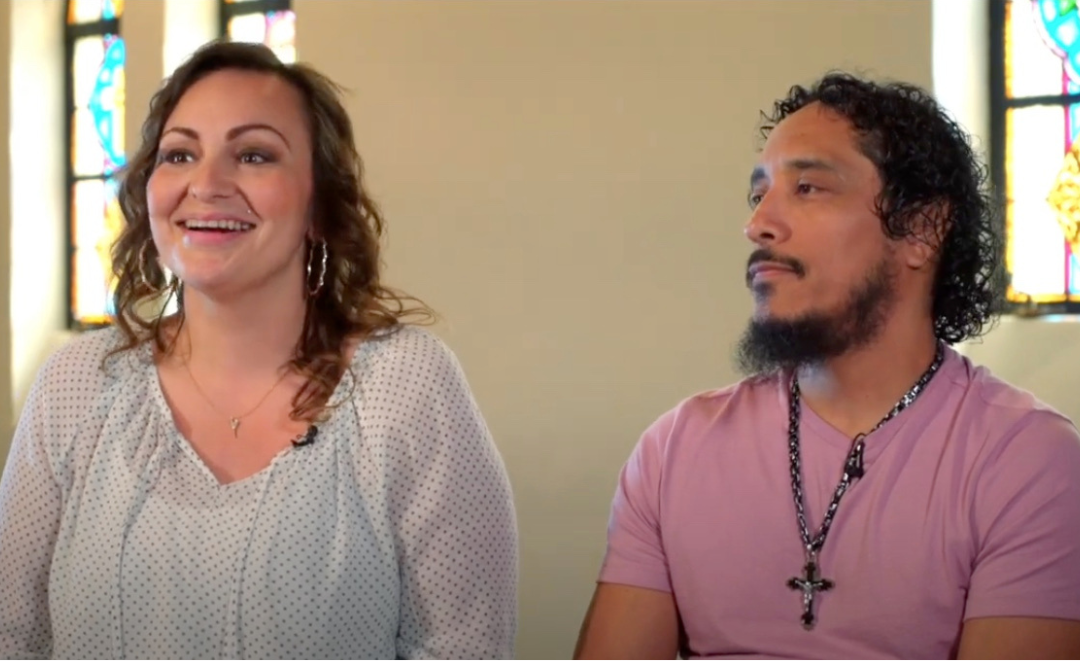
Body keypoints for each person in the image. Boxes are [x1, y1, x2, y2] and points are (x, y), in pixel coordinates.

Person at [0, 41, 517, 661]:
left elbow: (464, 647)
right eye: (180, 154)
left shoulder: (403, 385)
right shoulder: (77, 384)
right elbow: (13, 636)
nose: (207, 184)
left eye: (253, 155)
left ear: (320, 206)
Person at [574, 72, 1080, 660]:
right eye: (759, 193)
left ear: (921, 228)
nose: (758, 223)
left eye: (808, 187)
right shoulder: (673, 449)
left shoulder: (1026, 460)